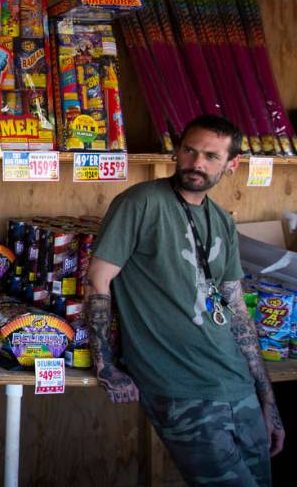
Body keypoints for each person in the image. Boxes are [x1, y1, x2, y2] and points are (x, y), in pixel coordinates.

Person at [85, 114, 284, 487]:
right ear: (177, 150)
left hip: (236, 384)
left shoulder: (222, 219)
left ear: (231, 164)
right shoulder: (140, 202)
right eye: (189, 151)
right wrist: (104, 365)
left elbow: (236, 310)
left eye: (211, 156)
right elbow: (98, 281)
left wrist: (266, 398)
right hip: (181, 387)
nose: (196, 163)